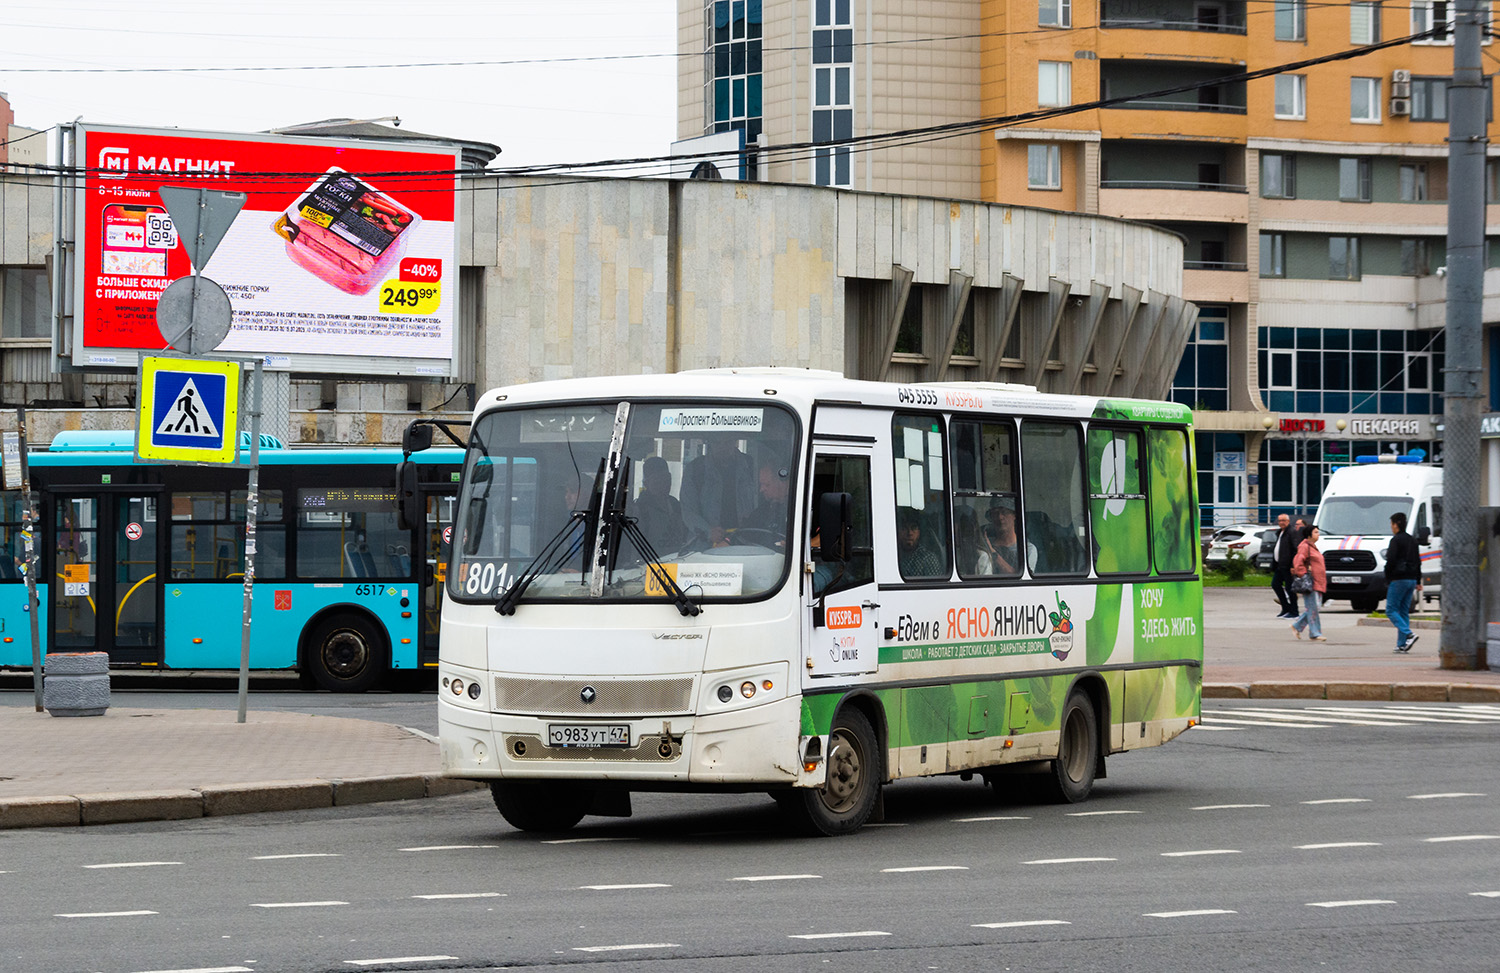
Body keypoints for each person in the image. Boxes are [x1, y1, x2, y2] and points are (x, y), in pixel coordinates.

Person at [680, 439, 759, 546]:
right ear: (710, 441)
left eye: (727, 441)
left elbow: (763, 504)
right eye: (717, 441)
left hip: (746, 544)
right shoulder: (695, 469)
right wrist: (708, 531)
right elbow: (688, 511)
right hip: (705, 546)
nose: (722, 446)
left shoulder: (752, 466)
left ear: (735, 440)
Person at [1384, 511, 1423, 653]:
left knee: (1391, 610)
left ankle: (1409, 634)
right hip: (1411, 579)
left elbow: (1391, 560)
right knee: (1403, 611)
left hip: (1398, 579)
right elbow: (1418, 561)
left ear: (1396, 524)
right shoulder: (1412, 540)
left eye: (1391, 524)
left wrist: (1387, 576)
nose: (1391, 527)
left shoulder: (1395, 540)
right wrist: (1418, 580)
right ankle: (1402, 644)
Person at [631, 456, 687, 553]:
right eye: (657, 481)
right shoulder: (639, 511)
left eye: (667, 480)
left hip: (677, 563)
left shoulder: (676, 505)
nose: (664, 485)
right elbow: (635, 550)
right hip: (650, 565)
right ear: (646, 483)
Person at [1290, 524, 1327, 642]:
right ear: (1309, 535)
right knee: (1313, 608)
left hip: (1318, 582)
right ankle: (1315, 633)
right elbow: (1298, 562)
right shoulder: (1304, 546)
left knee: (1314, 608)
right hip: (1311, 582)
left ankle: (1297, 626)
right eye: (1316, 532)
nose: (1318, 534)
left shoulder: (1313, 547)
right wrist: (1303, 575)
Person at [984, 497, 1034, 576]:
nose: (1000, 517)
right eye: (995, 513)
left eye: (1004, 512)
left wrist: (992, 552)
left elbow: (1019, 578)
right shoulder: (984, 544)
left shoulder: (1028, 549)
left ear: (1014, 515)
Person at [1270, 513, 1301, 619]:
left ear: (1288, 521)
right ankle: (1285, 608)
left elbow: (1295, 549)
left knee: (1290, 588)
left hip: (1288, 565)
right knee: (1275, 584)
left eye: (1283, 520)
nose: (1281, 523)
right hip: (1280, 565)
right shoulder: (1280, 533)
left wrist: (1293, 565)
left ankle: (1294, 611)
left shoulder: (1291, 532)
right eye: (1279, 521)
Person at [897, 510, 942, 577]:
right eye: (904, 528)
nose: (909, 533)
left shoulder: (928, 560)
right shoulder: (892, 555)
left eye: (914, 528)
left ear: (919, 532)